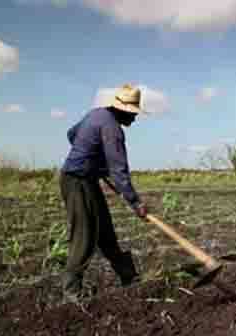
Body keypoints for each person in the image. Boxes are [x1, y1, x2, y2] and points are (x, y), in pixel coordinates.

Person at [59, 84, 148, 303]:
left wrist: (91, 157)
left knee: (105, 230)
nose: (134, 120)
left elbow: (71, 134)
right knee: (85, 235)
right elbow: (118, 171)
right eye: (133, 114)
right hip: (77, 181)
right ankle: (72, 292)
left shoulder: (96, 114)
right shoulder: (113, 131)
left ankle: (129, 276)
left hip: (85, 179)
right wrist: (135, 202)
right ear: (123, 110)